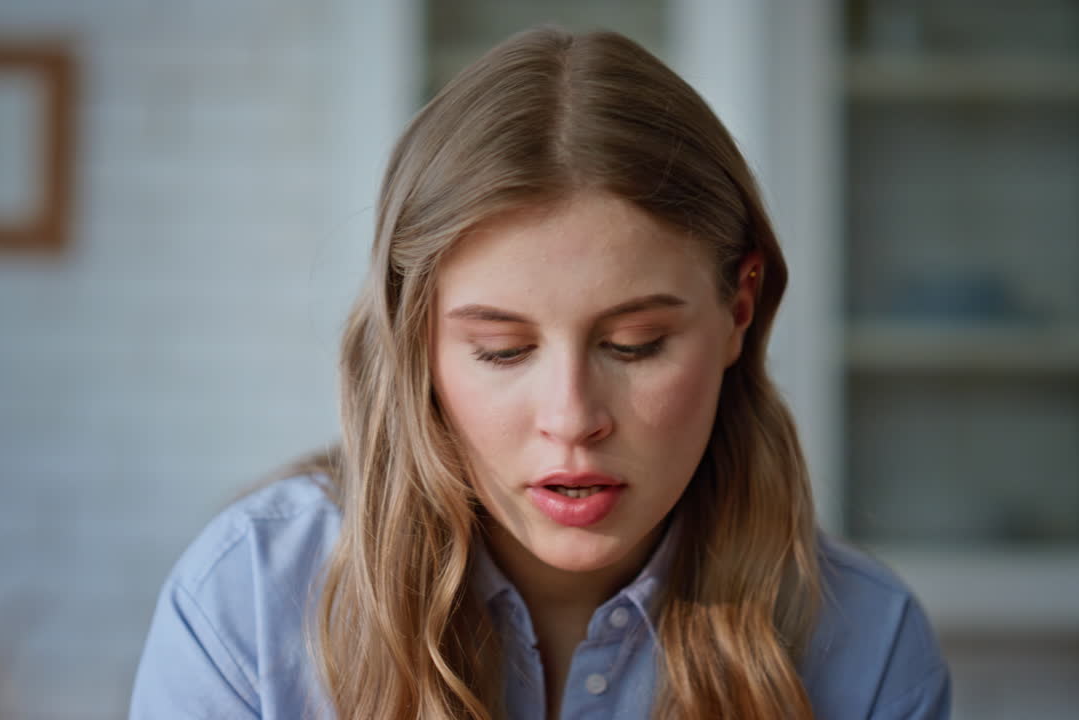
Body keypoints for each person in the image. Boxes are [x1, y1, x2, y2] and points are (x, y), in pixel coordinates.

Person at [128, 26, 950, 720]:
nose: (571, 417)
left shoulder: (868, 649)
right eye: (502, 351)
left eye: (634, 345)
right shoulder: (250, 603)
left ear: (740, 309)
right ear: (416, 342)